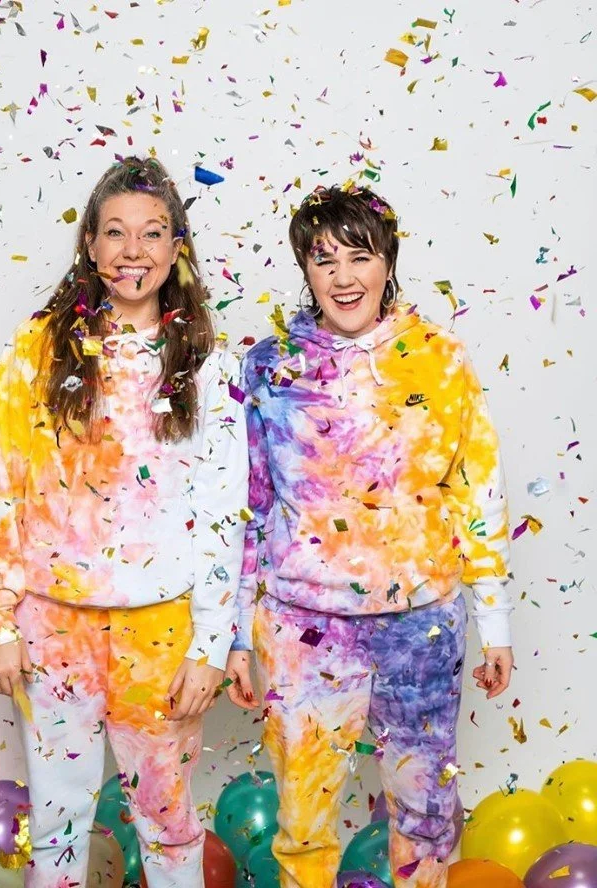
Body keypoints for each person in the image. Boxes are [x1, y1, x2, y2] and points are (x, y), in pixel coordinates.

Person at [0, 156, 248, 888]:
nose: (133, 251)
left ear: (176, 246)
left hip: (161, 630)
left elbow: (226, 513)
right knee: (58, 818)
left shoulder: (204, 367)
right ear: (89, 244)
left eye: (152, 233)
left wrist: (213, 644)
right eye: (116, 233)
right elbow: (4, 488)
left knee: (167, 818)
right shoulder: (34, 353)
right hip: (52, 625)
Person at [225, 182, 514, 888]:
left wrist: (494, 620)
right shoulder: (269, 369)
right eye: (325, 260)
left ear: (389, 261)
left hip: (421, 626)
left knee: (423, 820)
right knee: (303, 821)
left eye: (361, 256)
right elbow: (248, 508)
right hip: (301, 628)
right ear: (304, 269)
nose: (344, 277)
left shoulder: (441, 361)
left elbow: (478, 491)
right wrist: (234, 632)